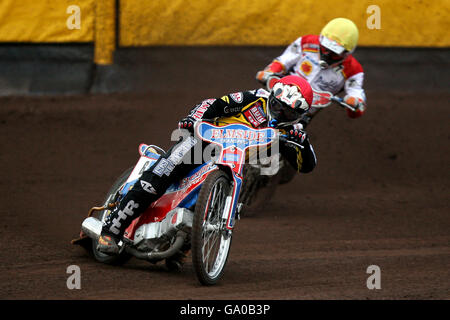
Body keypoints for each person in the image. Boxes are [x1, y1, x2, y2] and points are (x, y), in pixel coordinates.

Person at [97, 75, 317, 254]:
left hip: (233, 162)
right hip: (204, 142)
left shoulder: (292, 131)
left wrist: (303, 144)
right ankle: (112, 229)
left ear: (298, 115)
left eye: (288, 112)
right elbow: (214, 104)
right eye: (278, 106)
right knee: (161, 175)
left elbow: (307, 165)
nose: (280, 114)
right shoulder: (253, 98)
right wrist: (193, 119)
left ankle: (181, 245)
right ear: (272, 97)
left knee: (212, 203)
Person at [256, 17, 367, 128]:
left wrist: (354, 101)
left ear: (347, 53)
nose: (327, 54)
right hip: (277, 98)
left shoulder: (353, 70)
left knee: (287, 142)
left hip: (300, 115)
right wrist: (270, 71)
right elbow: (284, 61)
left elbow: (356, 96)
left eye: (334, 52)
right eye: (325, 47)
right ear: (321, 39)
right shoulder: (307, 42)